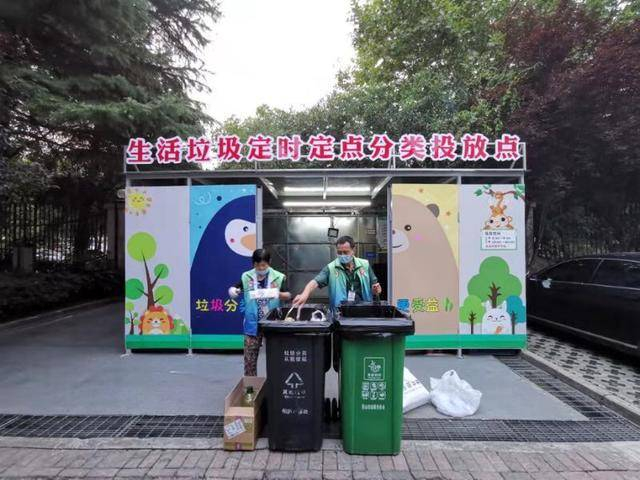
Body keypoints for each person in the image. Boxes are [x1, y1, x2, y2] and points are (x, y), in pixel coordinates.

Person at [229, 249, 290, 376]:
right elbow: (236, 289)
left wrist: (276, 293)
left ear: (269, 262)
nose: (261, 268)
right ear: (253, 263)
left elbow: (289, 295)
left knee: (276, 358)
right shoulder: (246, 276)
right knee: (249, 360)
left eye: (263, 265)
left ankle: (275, 383)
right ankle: (251, 385)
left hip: (273, 322)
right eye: (257, 265)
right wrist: (233, 291)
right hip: (252, 324)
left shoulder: (279, 277)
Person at [293, 235, 382, 310]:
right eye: (339, 252)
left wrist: (376, 290)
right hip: (340, 314)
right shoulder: (331, 268)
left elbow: (375, 286)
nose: (342, 255)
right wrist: (304, 294)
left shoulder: (365, 265)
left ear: (353, 250)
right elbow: (315, 282)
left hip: (364, 311)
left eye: (345, 252)